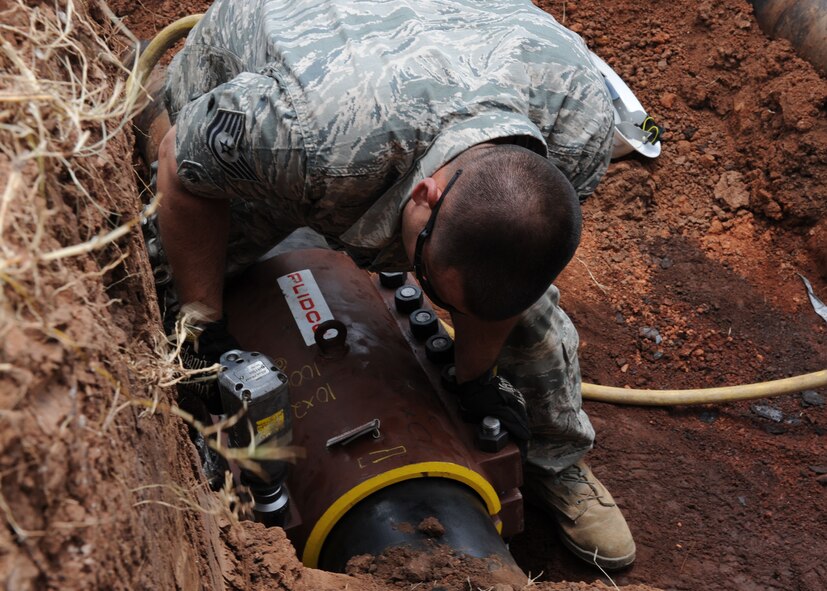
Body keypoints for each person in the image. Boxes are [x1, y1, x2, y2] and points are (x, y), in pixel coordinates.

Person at [156, 0, 635, 570]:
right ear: (426, 196)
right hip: (283, 48)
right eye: (427, 280)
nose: (425, 291)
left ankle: (558, 462)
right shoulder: (305, 136)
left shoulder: (579, 127)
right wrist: (205, 327)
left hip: (451, 57)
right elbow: (181, 165)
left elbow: (510, 266)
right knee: (168, 271)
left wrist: (476, 377)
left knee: (532, 322)